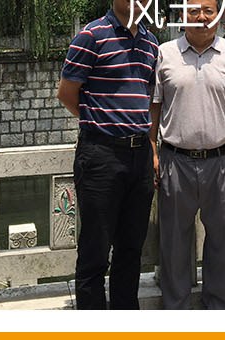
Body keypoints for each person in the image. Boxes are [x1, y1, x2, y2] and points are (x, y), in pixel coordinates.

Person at [150, 0, 225, 309]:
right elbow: (153, 110)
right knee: (174, 243)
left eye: (208, 10)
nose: (201, 17)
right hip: (175, 161)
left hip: (223, 162)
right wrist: (151, 151)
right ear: (182, 16)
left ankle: (220, 309)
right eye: (193, 10)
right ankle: (177, 309)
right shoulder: (164, 54)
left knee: (223, 243)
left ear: (219, 15)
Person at [57, 0, 160, 310]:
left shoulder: (151, 43)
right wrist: (101, 122)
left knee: (131, 249)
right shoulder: (92, 36)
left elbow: (146, 96)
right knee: (95, 250)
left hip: (140, 156)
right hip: (101, 155)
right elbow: (67, 93)